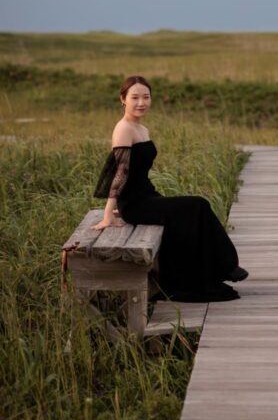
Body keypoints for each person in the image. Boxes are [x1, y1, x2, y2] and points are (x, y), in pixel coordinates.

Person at [93, 75, 248, 302]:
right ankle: (222, 267)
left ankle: (212, 271)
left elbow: (137, 171)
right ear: (122, 99)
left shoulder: (141, 128)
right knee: (197, 205)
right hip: (135, 204)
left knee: (193, 211)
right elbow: (120, 172)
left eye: (146, 97)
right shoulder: (123, 129)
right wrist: (109, 213)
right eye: (134, 97)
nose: (141, 102)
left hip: (148, 196)